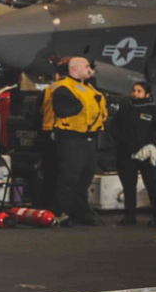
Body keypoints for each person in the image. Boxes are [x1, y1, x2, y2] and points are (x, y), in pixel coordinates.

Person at [50, 56, 108, 226]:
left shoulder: (88, 87)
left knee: (85, 178)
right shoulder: (63, 88)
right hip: (72, 139)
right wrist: (81, 106)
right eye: (87, 66)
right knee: (69, 177)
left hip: (89, 139)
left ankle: (80, 212)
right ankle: (59, 213)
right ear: (75, 69)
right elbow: (63, 110)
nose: (90, 70)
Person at [112, 81, 156, 227]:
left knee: (152, 184)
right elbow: (114, 127)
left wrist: (146, 142)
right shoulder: (125, 109)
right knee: (128, 186)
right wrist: (123, 142)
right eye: (134, 90)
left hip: (147, 152)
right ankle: (129, 217)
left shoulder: (155, 110)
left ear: (147, 94)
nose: (135, 93)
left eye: (139, 91)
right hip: (126, 153)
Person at [34, 58, 69, 209]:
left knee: (49, 173)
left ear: (56, 75)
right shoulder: (79, 89)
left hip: (49, 133)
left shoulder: (49, 89)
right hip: (70, 136)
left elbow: (38, 113)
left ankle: (47, 207)